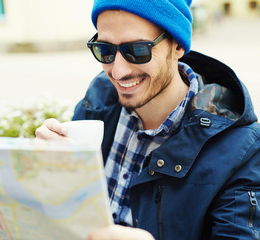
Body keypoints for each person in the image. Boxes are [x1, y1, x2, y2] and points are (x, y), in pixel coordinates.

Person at [35, 0, 260, 239]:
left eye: (138, 50)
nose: (118, 72)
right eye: (105, 51)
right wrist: (41, 171)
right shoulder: (100, 98)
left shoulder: (243, 151)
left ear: (177, 46)